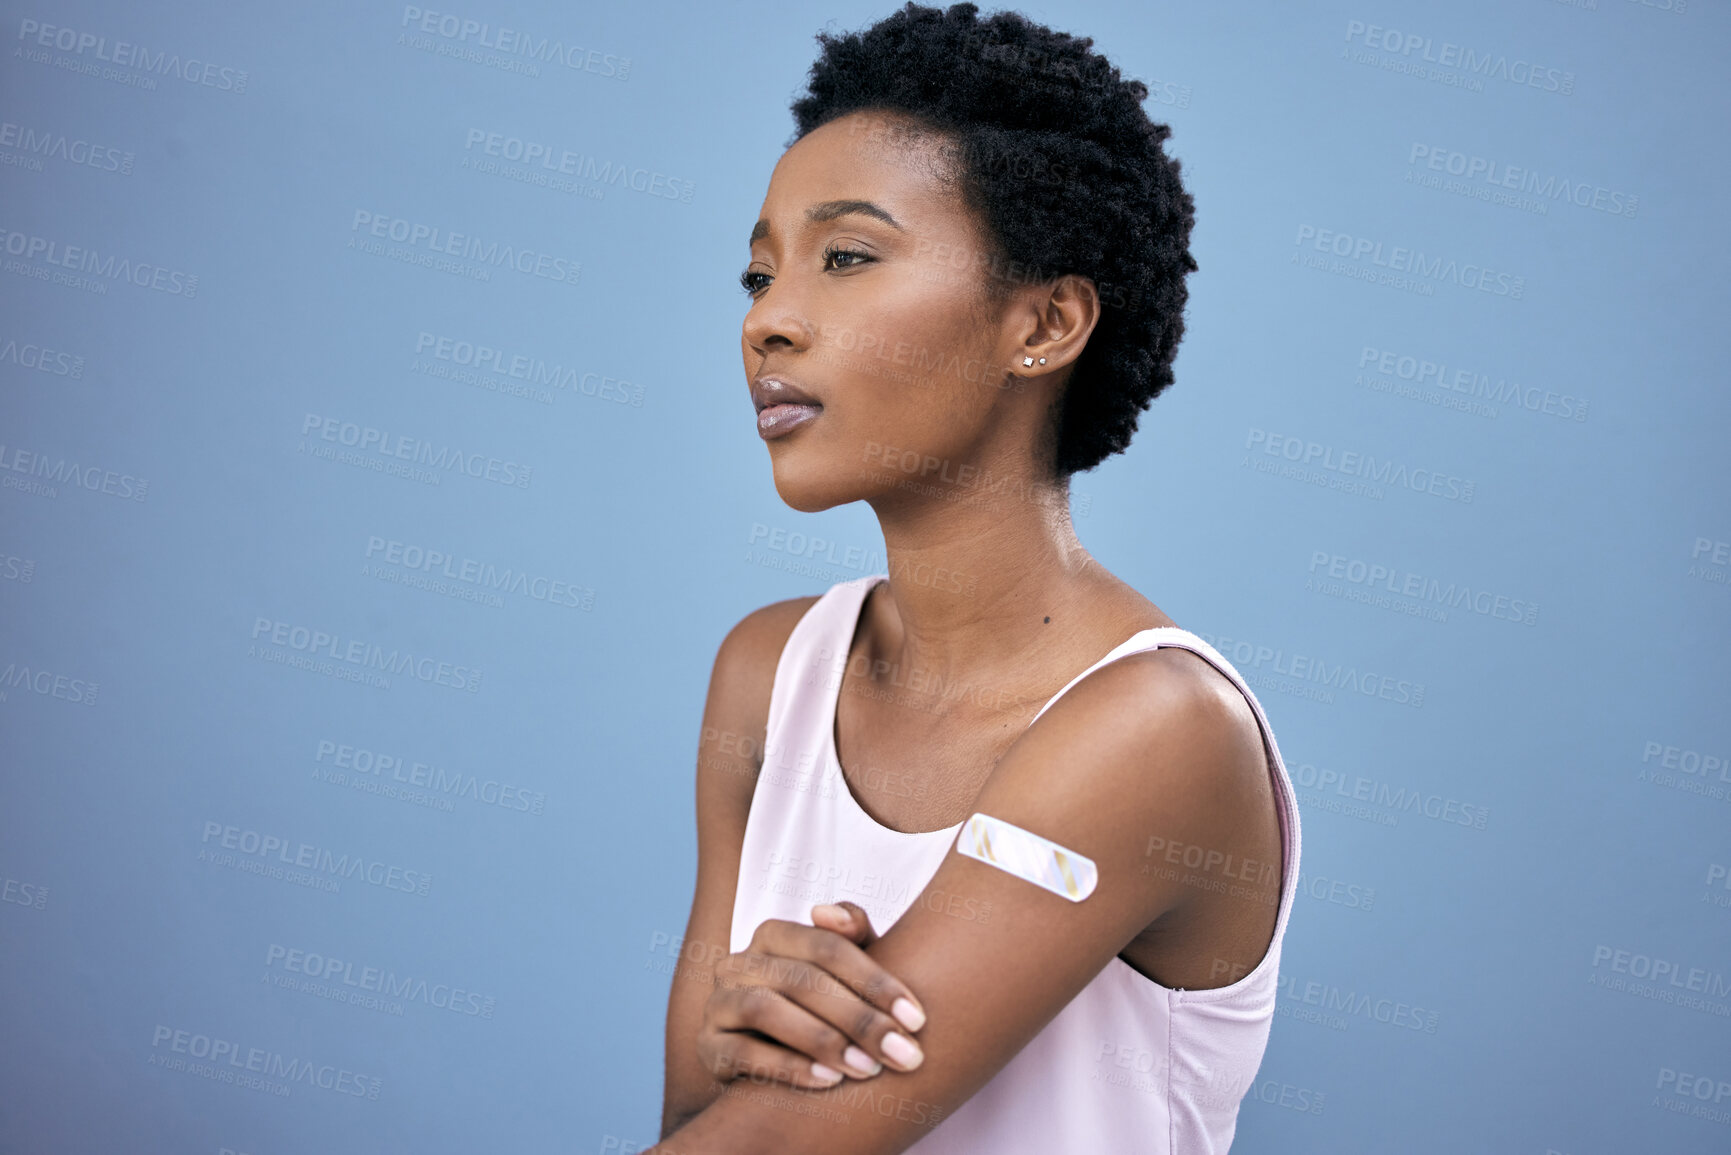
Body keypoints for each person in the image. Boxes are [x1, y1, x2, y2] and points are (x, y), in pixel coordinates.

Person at [653, 4, 1301, 1151]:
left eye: (847, 258)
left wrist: (755, 1076)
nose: (770, 323)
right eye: (758, 275)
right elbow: (697, 1120)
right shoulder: (771, 675)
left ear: (1045, 322)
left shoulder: (1157, 729)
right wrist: (736, 1029)